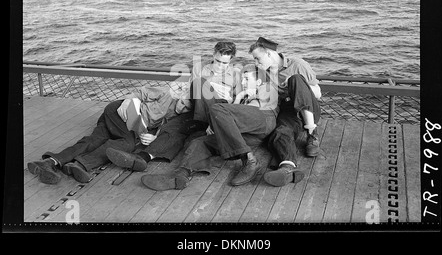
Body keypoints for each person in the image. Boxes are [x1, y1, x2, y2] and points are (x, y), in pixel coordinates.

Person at [105, 41, 243, 172]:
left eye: (225, 63)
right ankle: (142, 158)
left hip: (220, 111)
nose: (220, 66)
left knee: (201, 86)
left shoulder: (236, 75)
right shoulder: (199, 68)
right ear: (213, 55)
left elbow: (239, 101)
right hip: (198, 111)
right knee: (175, 127)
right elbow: (191, 94)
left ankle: (212, 123)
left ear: (231, 60)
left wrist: (222, 112)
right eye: (218, 61)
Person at [139, 63, 280, 191]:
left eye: (247, 79)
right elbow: (237, 114)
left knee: (217, 109)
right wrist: (234, 104)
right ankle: (181, 175)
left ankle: (249, 160)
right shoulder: (244, 94)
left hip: (262, 121)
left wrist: (240, 98)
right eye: (242, 79)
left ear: (259, 81)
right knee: (199, 142)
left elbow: (254, 109)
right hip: (246, 136)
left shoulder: (266, 89)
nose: (243, 82)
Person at [27, 85, 191, 185]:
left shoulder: (175, 117)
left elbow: (163, 130)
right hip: (120, 111)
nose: (182, 108)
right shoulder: (167, 93)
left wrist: (153, 137)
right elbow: (139, 93)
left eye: (187, 108)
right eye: (183, 103)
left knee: (94, 140)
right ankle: (81, 165)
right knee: (127, 143)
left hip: (122, 122)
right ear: (182, 96)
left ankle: (50, 162)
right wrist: (127, 101)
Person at [249, 37, 322, 187]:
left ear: (269, 54)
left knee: (295, 79)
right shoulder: (263, 71)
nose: (256, 63)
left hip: (309, 109)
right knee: (280, 132)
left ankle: (312, 133)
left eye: (258, 59)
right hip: (288, 110)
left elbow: (318, 93)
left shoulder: (298, 64)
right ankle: (287, 168)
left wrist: (294, 85)